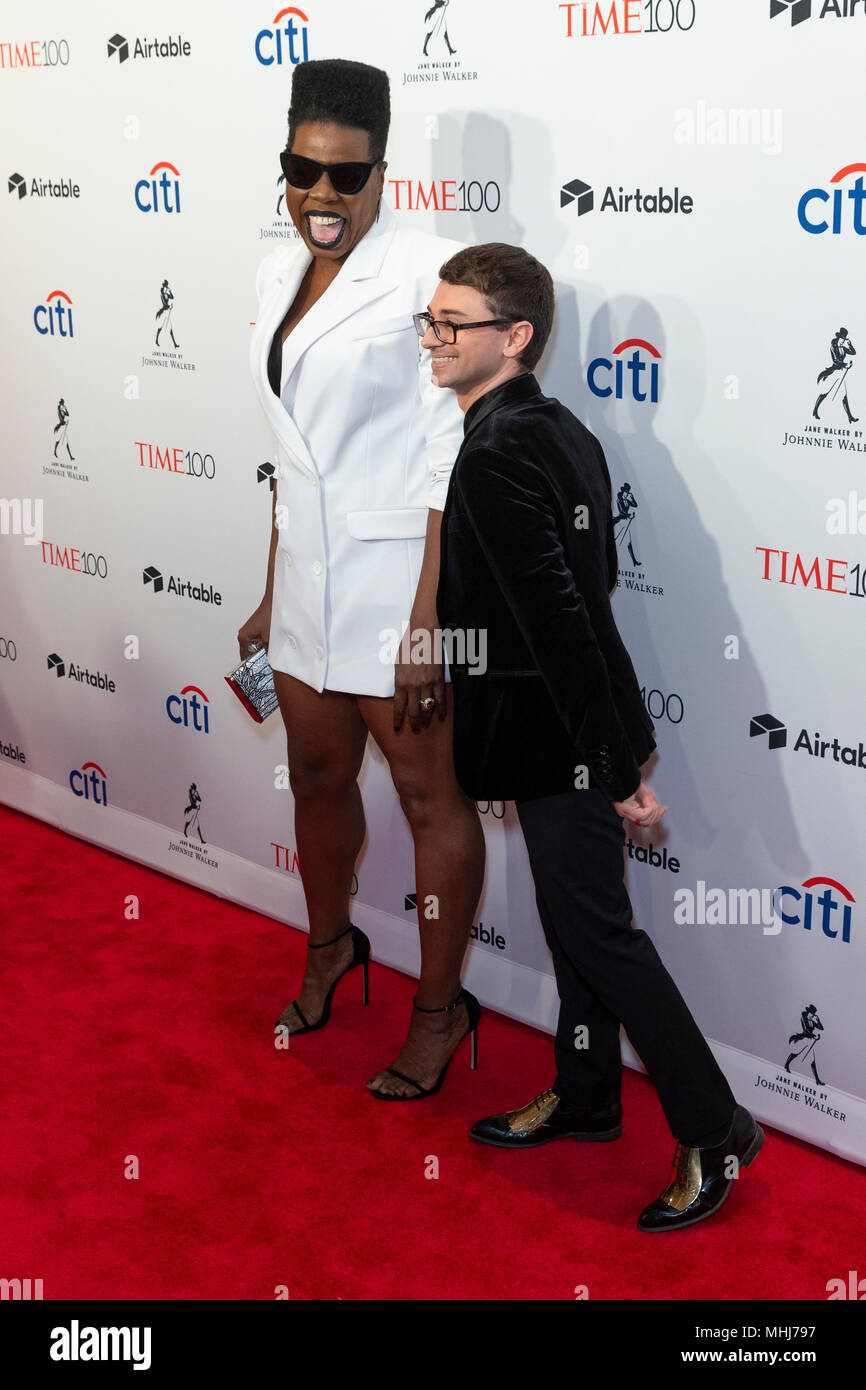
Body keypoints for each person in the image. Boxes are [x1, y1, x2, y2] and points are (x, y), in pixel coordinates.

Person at [422, 242, 764, 1230]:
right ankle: (585, 1092)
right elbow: (585, 597)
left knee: (601, 938)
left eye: (456, 324)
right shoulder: (552, 426)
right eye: (430, 321)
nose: (435, 341)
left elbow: (562, 620)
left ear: (514, 335)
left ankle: (713, 1127)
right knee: (577, 926)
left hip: (556, 733)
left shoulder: (495, 449)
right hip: (573, 725)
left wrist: (612, 769)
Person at [241, 59, 485, 1100]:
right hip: (305, 579)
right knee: (314, 776)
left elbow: (448, 448)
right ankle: (332, 947)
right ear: (285, 166)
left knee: (432, 798)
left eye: (347, 178)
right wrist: (266, 585)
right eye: (304, 171)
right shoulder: (271, 272)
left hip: (399, 587)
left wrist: (429, 619)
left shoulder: (428, 270)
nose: (322, 198)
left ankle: (440, 1008)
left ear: (383, 172)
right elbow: (291, 453)